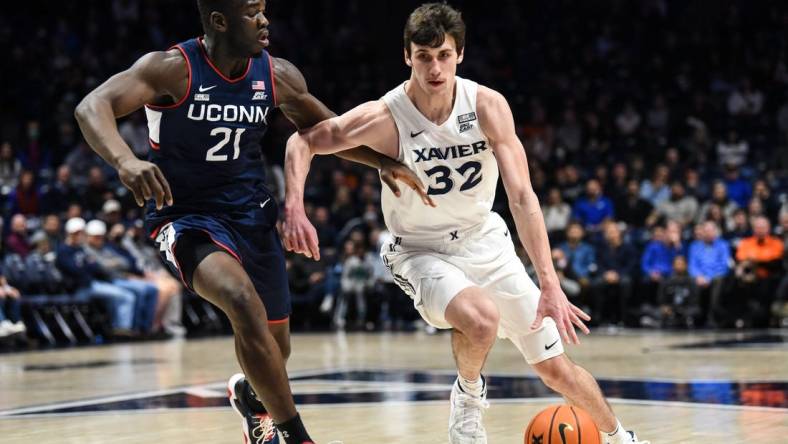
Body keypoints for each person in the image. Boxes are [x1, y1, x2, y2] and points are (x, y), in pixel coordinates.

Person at [282, 4, 648, 443]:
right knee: (480, 318)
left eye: (443, 55)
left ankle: (620, 437)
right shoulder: (386, 116)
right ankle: (469, 397)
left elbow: (522, 197)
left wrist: (549, 282)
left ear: (459, 54)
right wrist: (295, 206)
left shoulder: (488, 106)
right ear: (407, 57)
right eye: (423, 56)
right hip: (420, 250)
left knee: (556, 369)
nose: (434, 67)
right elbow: (302, 141)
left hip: (485, 241)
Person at [74, 1, 428, 442]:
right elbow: (92, 107)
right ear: (220, 21)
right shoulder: (172, 69)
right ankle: (297, 437)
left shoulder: (276, 74)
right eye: (251, 12)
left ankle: (250, 397)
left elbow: (327, 130)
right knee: (242, 301)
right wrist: (125, 161)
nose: (264, 21)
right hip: (186, 217)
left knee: (275, 351)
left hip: (252, 215)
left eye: (264, 10)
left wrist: (380, 163)